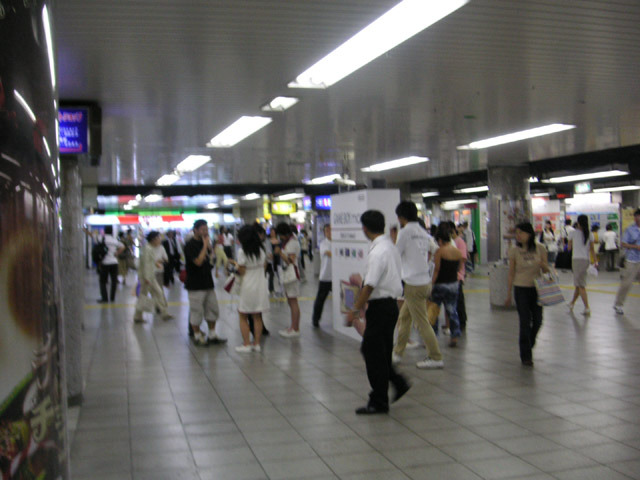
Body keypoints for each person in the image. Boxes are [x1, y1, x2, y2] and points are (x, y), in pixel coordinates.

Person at [346, 210, 410, 415]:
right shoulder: (389, 247)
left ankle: (379, 400)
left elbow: (369, 286)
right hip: (390, 307)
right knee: (379, 352)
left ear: (365, 228)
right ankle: (397, 383)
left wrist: (354, 311)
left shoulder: (377, 252)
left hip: (380, 308)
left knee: (372, 352)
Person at [391, 202, 444, 369]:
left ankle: (435, 357)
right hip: (423, 281)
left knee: (422, 322)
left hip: (413, 284)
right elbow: (435, 250)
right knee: (404, 317)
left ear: (402, 217)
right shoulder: (422, 231)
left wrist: (393, 239)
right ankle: (398, 353)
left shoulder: (405, 232)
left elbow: (395, 254)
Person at [505, 222, 551, 366]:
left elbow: (546, 270)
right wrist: (508, 294)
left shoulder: (541, 248)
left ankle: (529, 343)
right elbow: (511, 273)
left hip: (537, 288)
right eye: (516, 233)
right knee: (524, 322)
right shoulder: (514, 251)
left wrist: (542, 264)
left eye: (521, 233)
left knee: (538, 320)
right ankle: (526, 356)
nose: (518, 236)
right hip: (521, 289)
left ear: (529, 234)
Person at [184, 219, 227, 346]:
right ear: (195, 230)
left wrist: (209, 248)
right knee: (196, 311)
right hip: (195, 284)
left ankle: (212, 334)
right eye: (202, 229)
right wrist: (204, 246)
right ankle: (197, 336)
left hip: (208, 282)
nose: (205, 232)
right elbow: (198, 262)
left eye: (206, 229)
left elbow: (210, 260)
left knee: (212, 309)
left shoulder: (206, 243)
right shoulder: (190, 245)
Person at [232, 225, 269, 353]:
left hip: (248, 286)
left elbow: (241, 271)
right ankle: (257, 344)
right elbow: (264, 267)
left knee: (243, 315)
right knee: (257, 315)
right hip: (260, 285)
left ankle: (246, 344)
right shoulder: (261, 250)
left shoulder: (242, 251)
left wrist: (236, 266)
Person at [431, 224, 465, 347]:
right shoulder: (457, 252)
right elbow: (460, 267)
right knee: (452, 310)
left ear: (440, 240)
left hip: (440, 284)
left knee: (434, 310)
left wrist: (431, 284)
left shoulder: (440, 251)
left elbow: (437, 270)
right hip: (454, 284)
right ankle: (455, 335)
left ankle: (433, 336)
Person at [133, 231, 174, 323]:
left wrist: (156, 264)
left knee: (156, 293)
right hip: (147, 277)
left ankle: (164, 313)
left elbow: (150, 262)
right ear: (153, 239)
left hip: (149, 276)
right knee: (147, 295)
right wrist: (147, 278)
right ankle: (138, 316)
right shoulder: (148, 249)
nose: (160, 239)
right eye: (159, 238)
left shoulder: (148, 248)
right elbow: (146, 264)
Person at [276, 223, 302, 337]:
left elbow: (290, 260)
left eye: (280, 235)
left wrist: (280, 253)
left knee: (293, 301)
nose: (280, 237)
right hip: (288, 275)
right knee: (291, 302)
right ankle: (293, 326)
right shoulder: (289, 242)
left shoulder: (292, 243)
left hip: (292, 275)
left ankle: (295, 329)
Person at [568, 214, 597, 315]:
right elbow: (592, 249)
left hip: (576, 260)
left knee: (581, 285)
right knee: (579, 284)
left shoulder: (572, 233)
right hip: (586, 260)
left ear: (578, 223)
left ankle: (587, 308)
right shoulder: (590, 234)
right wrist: (596, 261)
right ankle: (572, 303)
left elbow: (569, 248)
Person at [614, 209, 640, 315]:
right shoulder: (630, 229)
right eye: (636, 216)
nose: (637, 218)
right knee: (627, 283)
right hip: (632, 260)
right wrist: (635, 247)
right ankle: (618, 304)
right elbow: (623, 243)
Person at [312, 224, 332, 328]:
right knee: (320, 299)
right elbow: (329, 253)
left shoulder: (338, 243)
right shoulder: (323, 243)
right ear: (324, 232)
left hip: (336, 276)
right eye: (327, 231)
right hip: (325, 277)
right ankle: (315, 319)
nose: (329, 232)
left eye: (331, 230)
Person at [98, 226, 125, 303]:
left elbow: (93, 236)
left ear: (105, 231)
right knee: (114, 281)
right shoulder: (114, 240)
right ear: (112, 231)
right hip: (114, 262)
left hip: (105, 262)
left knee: (103, 281)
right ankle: (112, 298)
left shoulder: (101, 238)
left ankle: (105, 298)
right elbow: (123, 246)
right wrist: (117, 253)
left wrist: (85, 231)